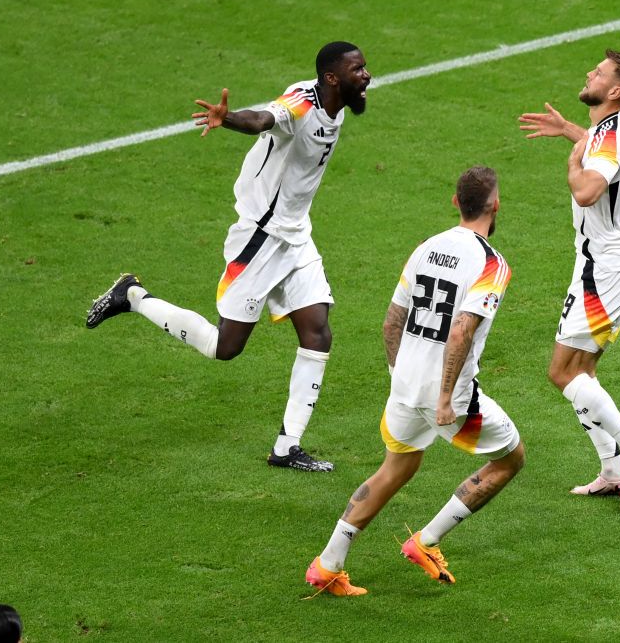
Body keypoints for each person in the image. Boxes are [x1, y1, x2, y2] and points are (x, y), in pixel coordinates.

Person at [86, 41, 371, 472]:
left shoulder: (340, 103)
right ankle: (133, 296)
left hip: (296, 235)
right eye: (358, 70)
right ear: (332, 77)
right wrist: (230, 119)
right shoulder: (301, 102)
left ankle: (286, 447)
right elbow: (263, 118)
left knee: (318, 334)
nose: (367, 76)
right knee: (224, 347)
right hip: (259, 237)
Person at [305, 166, 524, 596]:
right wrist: (443, 397)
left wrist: (399, 378)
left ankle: (327, 565)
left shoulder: (425, 248)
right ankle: (425, 541)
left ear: (455, 202)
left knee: (397, 466)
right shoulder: (492, 264)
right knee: (510, 459)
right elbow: (461, 330)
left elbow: (392, 321)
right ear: (495, 205)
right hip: (450, 397)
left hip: (404, 385)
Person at [519, 50, 620, 506]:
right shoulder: (611, 130)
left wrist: (570, 165)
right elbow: (600, 150)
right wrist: (570, 133)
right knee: (584, 372)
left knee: (562, 372)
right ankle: (612, 469)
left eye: (598, 73)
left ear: (615, 91)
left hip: (605, 272)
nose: (589, 74)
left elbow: (586, 191)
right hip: (605, 267)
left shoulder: (612, 134)